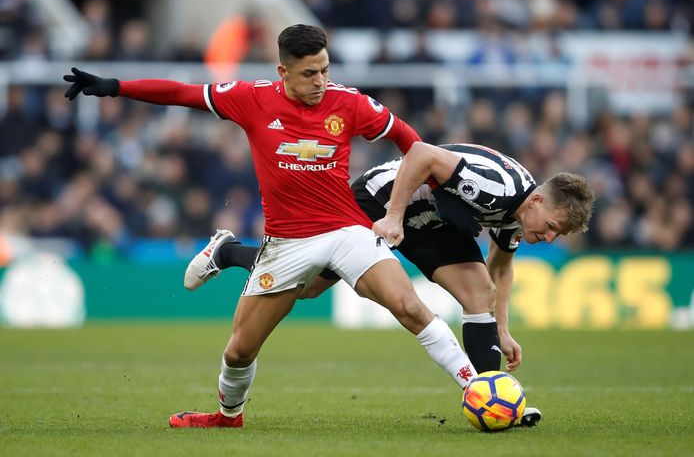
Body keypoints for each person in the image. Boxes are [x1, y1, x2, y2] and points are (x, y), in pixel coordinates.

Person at [64, 24, 480, 429]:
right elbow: (181, 93)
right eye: (309, 73)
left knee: (409, 307)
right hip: (287, 243)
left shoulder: (350, 103)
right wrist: (116, 86)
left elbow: (414, 144)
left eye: (325, 70)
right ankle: (228, 416)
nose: (321, 81)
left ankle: (477, 387)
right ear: (283, 72)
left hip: (347, 231)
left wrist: (432, 191)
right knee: (240, 350)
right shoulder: (250, 98)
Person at [185, 142, 594, 427]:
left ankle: (492, 399)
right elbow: (421, 154)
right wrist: (395, 215)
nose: (551, 238)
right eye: (554, 228)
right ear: (539, 200)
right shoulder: (495, 187)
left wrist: (501, 329)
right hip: (380, 200)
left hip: (431, 221)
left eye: (558, 236)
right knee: (306, 288)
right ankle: (227, 251)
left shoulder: (515, 217)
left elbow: (500, 269)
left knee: (479, 292)